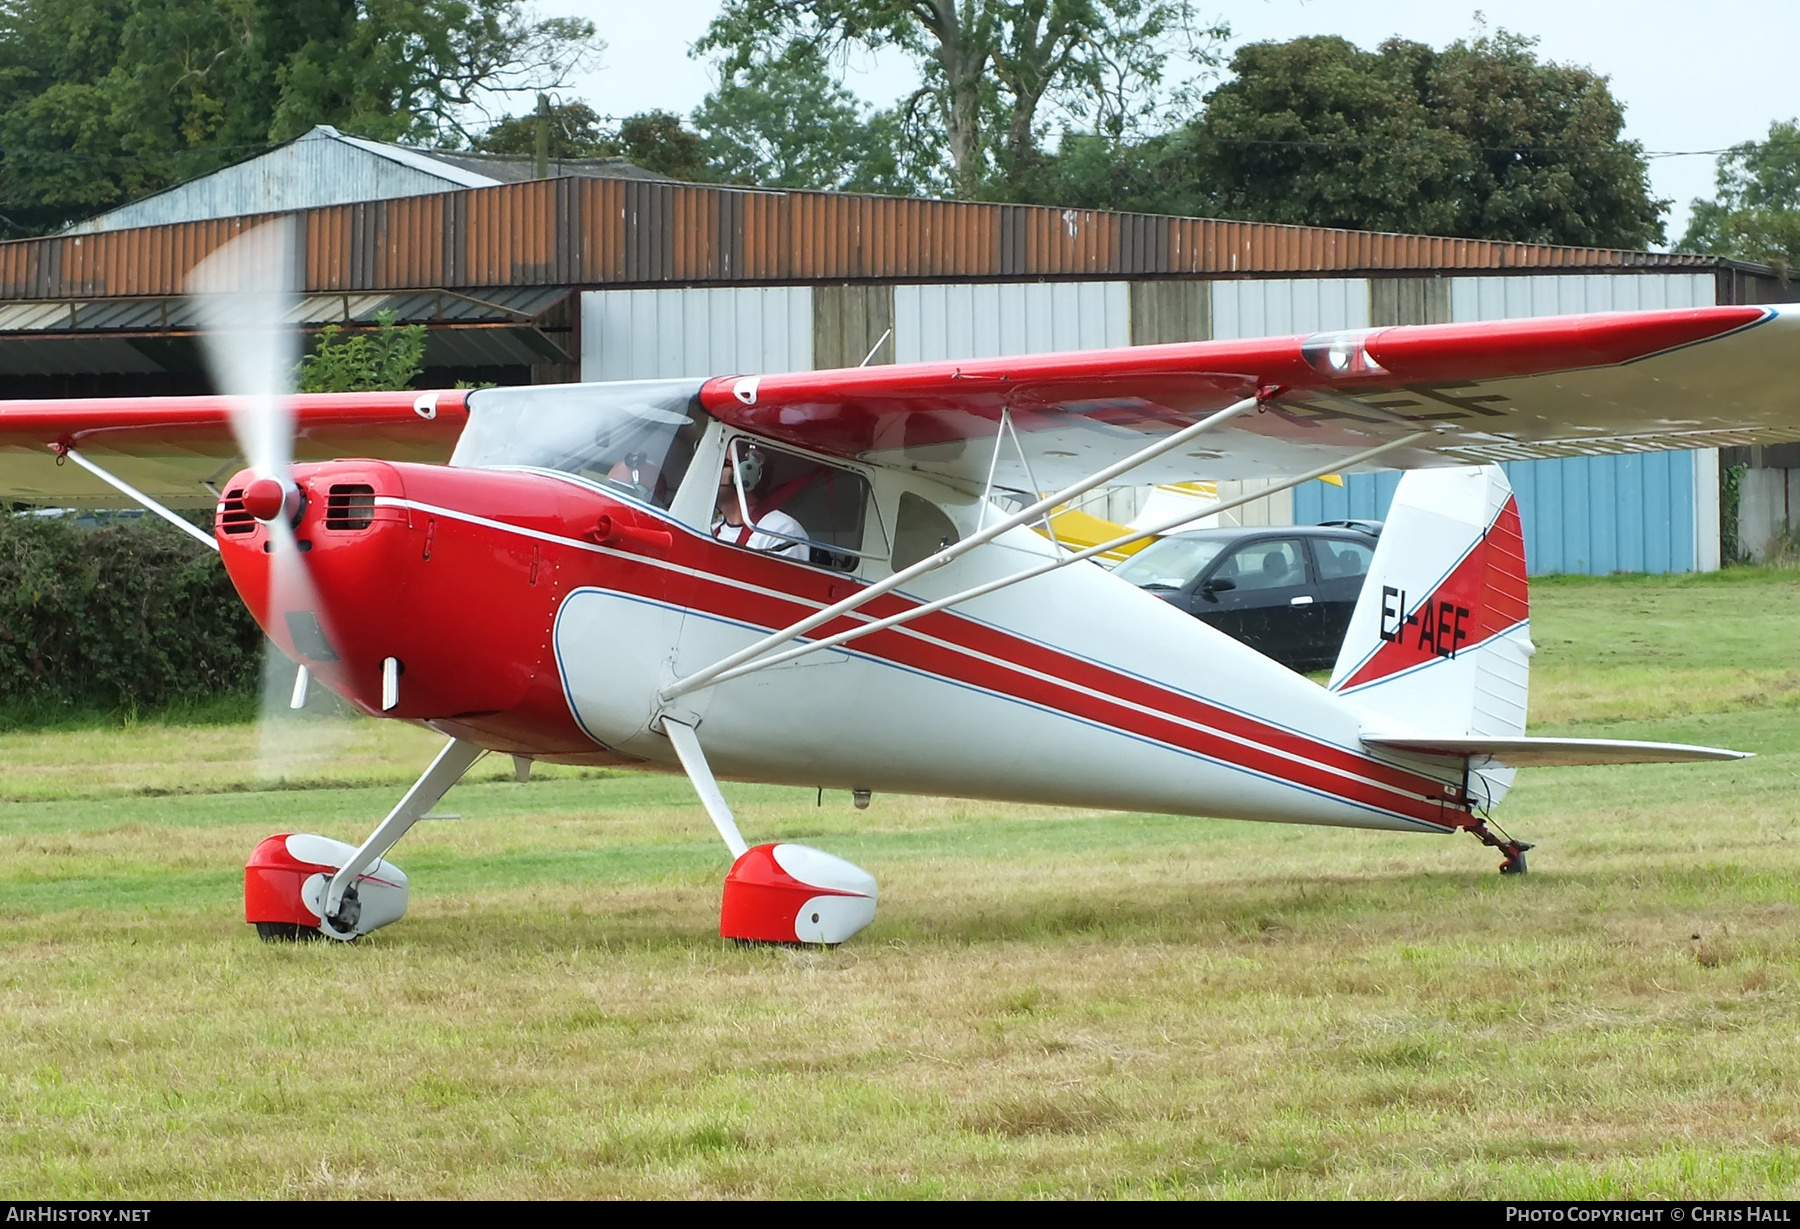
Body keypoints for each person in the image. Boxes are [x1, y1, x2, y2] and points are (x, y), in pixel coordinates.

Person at [714, 446, 810, 561]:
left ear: (746, 472)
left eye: (721, 462)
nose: (709, 470)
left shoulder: (781, 531)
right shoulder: (711, 530)